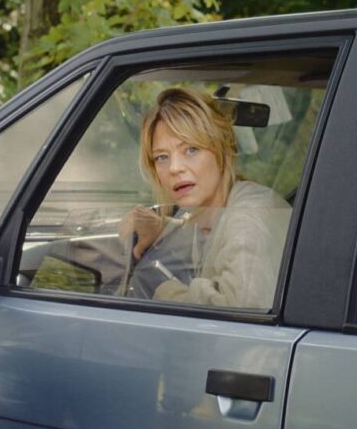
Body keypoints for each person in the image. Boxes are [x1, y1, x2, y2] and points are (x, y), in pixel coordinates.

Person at [121, 88, 292, 308]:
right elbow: (207, 236)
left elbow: (240, 320)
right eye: (162, 157)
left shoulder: (249, 219)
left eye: (191, 150)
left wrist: (165, 292)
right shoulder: (213, 209)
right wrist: (162, 229)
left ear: (223, 150)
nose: (174, 168)